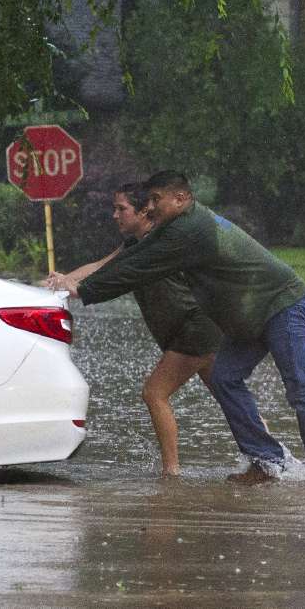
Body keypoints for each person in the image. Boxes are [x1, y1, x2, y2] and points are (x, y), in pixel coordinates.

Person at [56, 170, 305, 486]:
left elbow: (137, 269)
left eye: (157, 199)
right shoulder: (173, 227)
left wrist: (84, 290)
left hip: (281, 304)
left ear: (180, 199)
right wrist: (79, 283)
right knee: (225, 377)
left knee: (301, 389)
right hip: (247, 316)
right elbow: (134, 255)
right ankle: (267, 462)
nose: (151, 206)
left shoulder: (189, 230)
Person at [44, 183, 224, 476]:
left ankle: (171, 473)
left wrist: (79, 290)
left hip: (193, 329)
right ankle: (269, 456)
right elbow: (101, 265)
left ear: (144, 212)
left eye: (121, 209)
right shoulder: (135, 244)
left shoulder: (157, 245)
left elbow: (114, 278)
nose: (115, 215)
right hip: (196, 329)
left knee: (154, 393)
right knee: (229, 395)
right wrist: (60, 281)